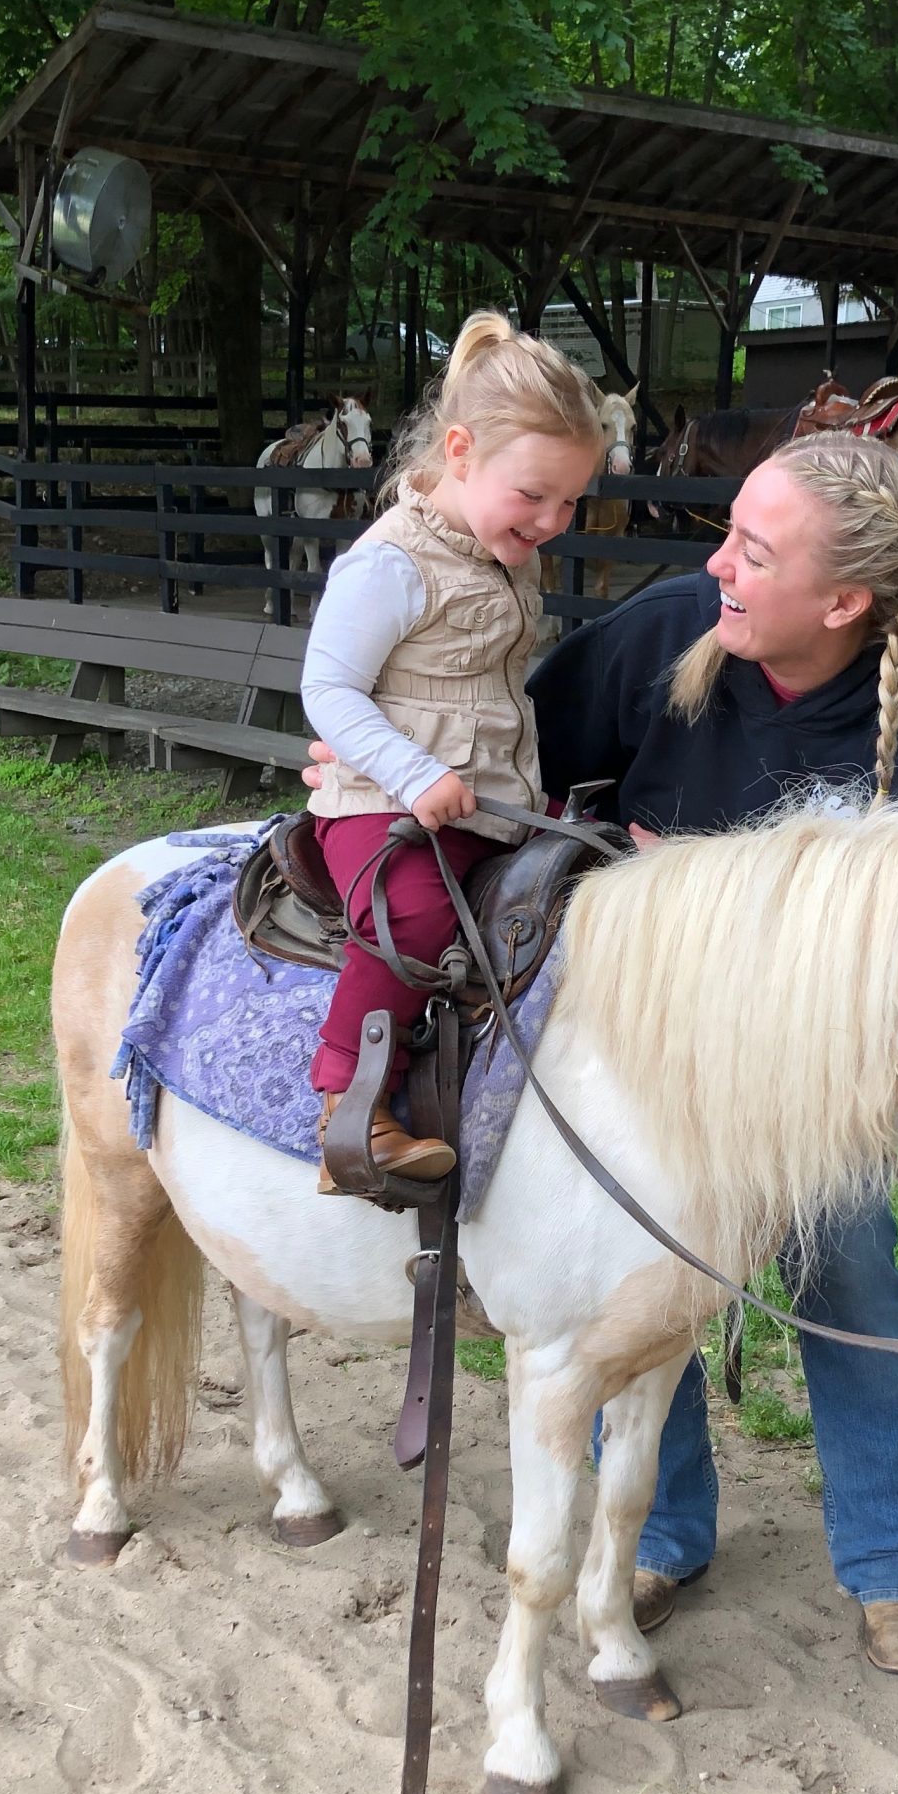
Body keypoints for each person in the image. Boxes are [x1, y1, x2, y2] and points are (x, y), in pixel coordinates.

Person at [304, 431, 898, 1669]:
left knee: (856, 1284)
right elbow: (513, 766)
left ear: (842, 603)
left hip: (794, 1083)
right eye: (729, 530)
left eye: (754, 553)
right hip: (633, 1041)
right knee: (633, 1279)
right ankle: (664, 1533)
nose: (716, 561)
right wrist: (380, 767)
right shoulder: (665, 629)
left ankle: (889, 1562)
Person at [299, 311, 606, 1189]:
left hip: (483, 797)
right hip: (381, 803)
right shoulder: (391, 564)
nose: (553, 519)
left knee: (598, 861)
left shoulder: (503, 553)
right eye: (534, 495)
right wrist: (412, 773)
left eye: (570, 500)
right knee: (417, 920)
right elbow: (328, 691)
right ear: (462, 451)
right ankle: (348, 1108)